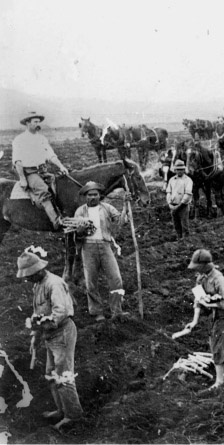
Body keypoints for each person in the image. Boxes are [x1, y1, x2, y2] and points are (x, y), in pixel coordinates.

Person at [18, 250, 83, 430]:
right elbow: (38, 313)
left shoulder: (54, 284)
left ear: (38, 270)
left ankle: (74, 416)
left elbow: (59, 312)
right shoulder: (38, 285)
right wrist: (35, 336)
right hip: (49, 335)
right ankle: (62, 410)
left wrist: (41, 326)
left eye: (29, 276)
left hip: (62, 333)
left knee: (63, 376)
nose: (27, 279)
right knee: (51, 375)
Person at [73, 181, 131, 321]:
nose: (92, 197)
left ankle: (117, 310)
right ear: (86, 197)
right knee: (91, 281)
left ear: (100, 196)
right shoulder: (80, 211)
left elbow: (120, 222)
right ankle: (96, 311)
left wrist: (125, 206)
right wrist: (81, 227)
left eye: (95, 195)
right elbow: (77, 231)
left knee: (116, 279)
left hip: (105, 245)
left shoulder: (107, 208)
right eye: (89, 195)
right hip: (88, 248)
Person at [182, 249, 224, 390]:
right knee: (220, 342)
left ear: (206, 265)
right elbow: (198, 299)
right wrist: (194, 321)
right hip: (211, 315)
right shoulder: (201, 278)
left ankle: (219, 380)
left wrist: (210, 304)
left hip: (222, 315)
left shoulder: (219, 279)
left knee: (217, 344)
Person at [12, 112, 70, 229]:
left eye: (39, 122)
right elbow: (17, 161)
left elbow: (51, 155)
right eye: (35, 122)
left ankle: (61, 212)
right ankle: (56, 222)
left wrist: (61, 167)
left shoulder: (41, 138)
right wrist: (23, 179)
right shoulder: (20, 140)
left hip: (43, 171)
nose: (38, 124)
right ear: (27, 123)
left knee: (57, 185)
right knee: (43, 190)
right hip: (29, 173)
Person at [165, 159, 193, 239]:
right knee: (176, 225)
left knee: (184, 226)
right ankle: (179, 239)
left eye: (181, 169)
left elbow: (187, 195)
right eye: (178, 169)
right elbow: (168, 192)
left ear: (184, 170)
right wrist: (170, 203)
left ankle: (185, 241)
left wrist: (179, 205)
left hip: (183, 206)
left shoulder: (188, 180)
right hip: (173, 206)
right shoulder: (171, 180)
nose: (179, 171)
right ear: (175, 170)